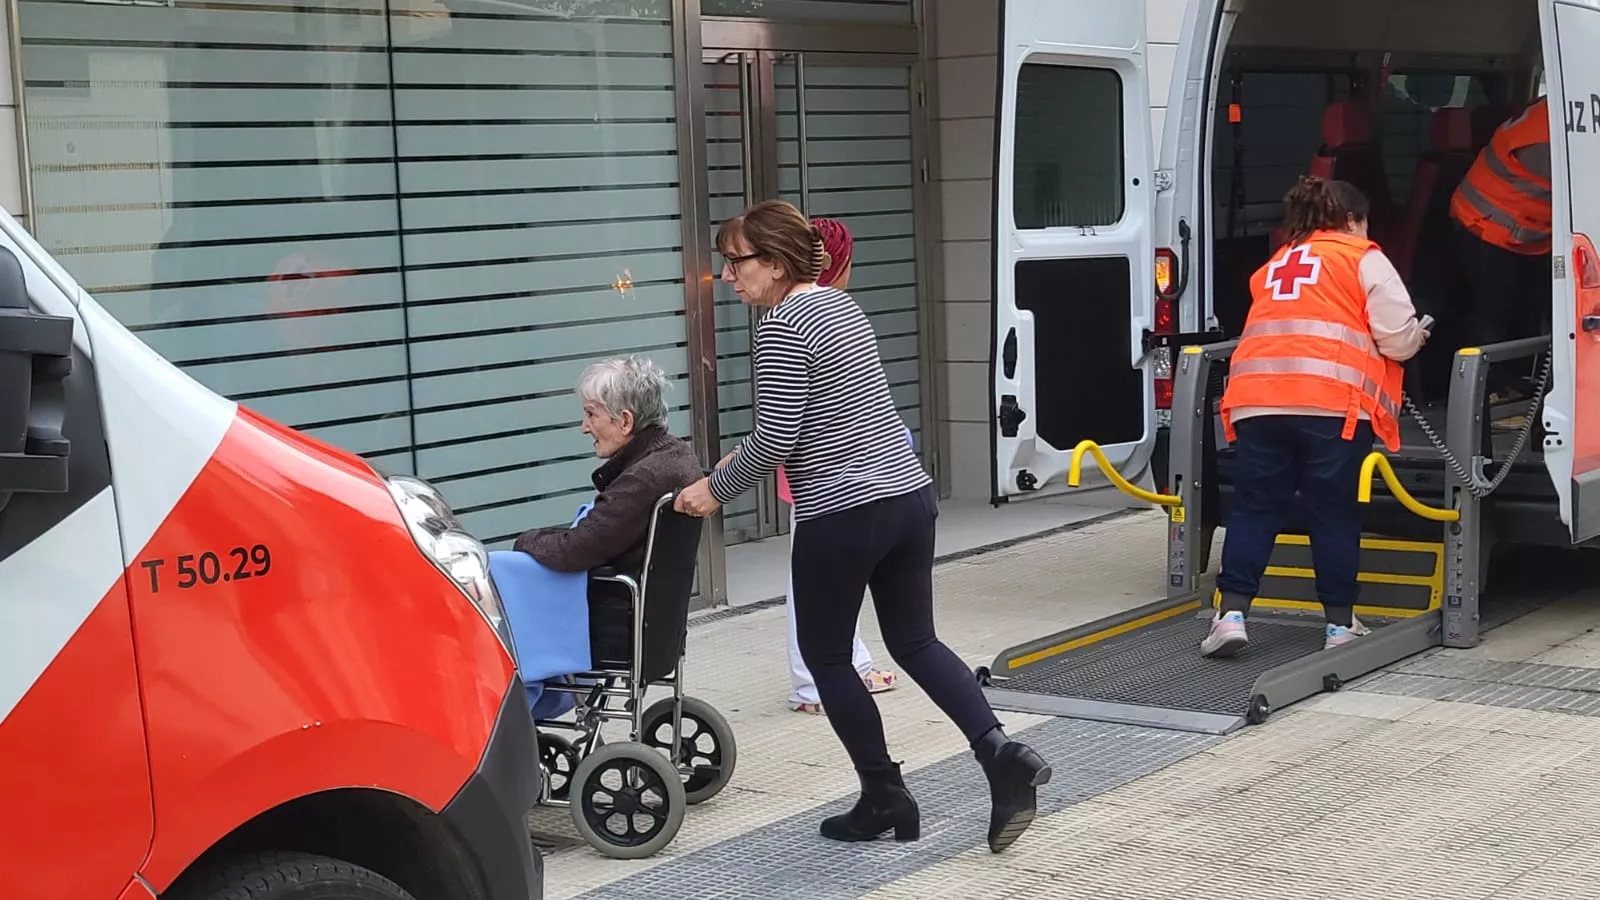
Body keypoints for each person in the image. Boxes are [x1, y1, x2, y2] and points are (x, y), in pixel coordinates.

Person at [676, 199, 1050, 854]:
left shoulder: (780, 325)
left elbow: (778, 439)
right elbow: (819, 417)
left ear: (774, 261)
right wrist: (745, 453)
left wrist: (713, 490)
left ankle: (883, 796)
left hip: (843, 514)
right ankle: (999, 752)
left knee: (825, 657)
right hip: (908, 498)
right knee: (916, 641)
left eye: (735, 262)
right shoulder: (840, 307)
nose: (726, 276)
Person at [1204, 177, 1430, 658]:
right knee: (1332, 511)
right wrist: (1417, 339)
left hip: (1257, 402)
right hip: (1331, 406)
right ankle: (1339, 627)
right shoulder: (1361, 256)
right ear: (1351, 220)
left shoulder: (1275, 264)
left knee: (1255, 508)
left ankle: (1230, 616)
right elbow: (1395, 337)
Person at [777, 217, 899, 714]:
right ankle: (811, 683)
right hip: (820, 475)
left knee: (833, 578)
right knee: (808, 581)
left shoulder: (813, 311)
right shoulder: (806, 316)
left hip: (837, 472)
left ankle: (848, 661)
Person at [514, 355, 703, 574]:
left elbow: (576, 550)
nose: (584, 427)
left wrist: (525, 541)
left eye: (591, 414)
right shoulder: (678, 454)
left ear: (625, 421)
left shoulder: (644, 477)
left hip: (611, 602)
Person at [1449, 95, 1551, 400]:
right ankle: (1486, 395)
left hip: (1524, 230)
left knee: (1529, 306)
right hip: (1485, 220)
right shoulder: (1550, 138)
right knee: (1495, 308)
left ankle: (1515, 385)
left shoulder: (1557, 108)